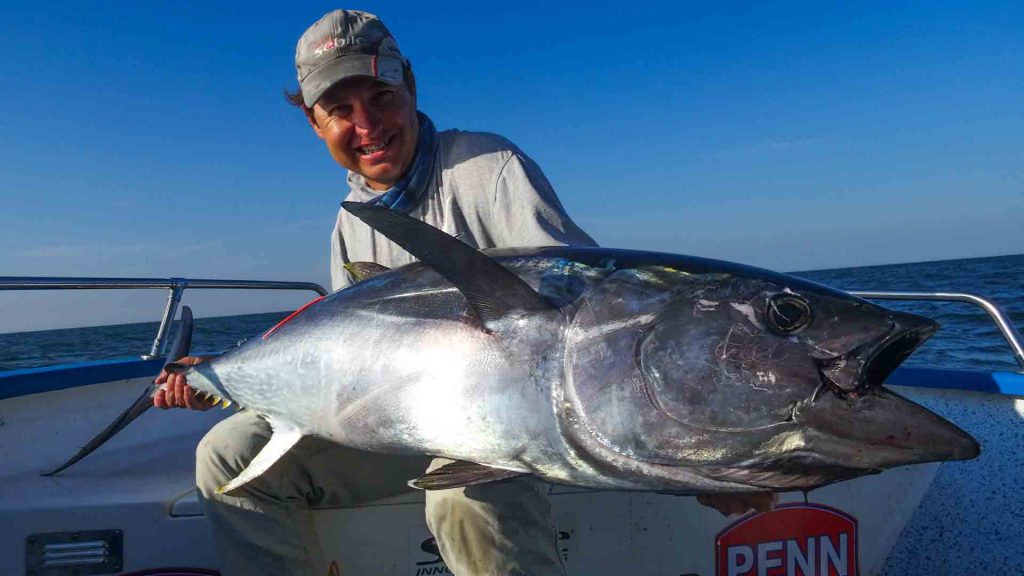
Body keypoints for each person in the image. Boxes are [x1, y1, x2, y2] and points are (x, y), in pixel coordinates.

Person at [154, 9, 773, 575]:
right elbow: (343, 365)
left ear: (412, 88)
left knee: (461, 496)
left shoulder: (487, 168)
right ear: (314, 124)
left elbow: (593, 326)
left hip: (515, 428)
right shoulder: (350, 219)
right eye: (341, 110)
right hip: (399, 424)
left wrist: (696, 457)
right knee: (227, 456)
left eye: (381, 96)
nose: (367, 125)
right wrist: (222, 382)